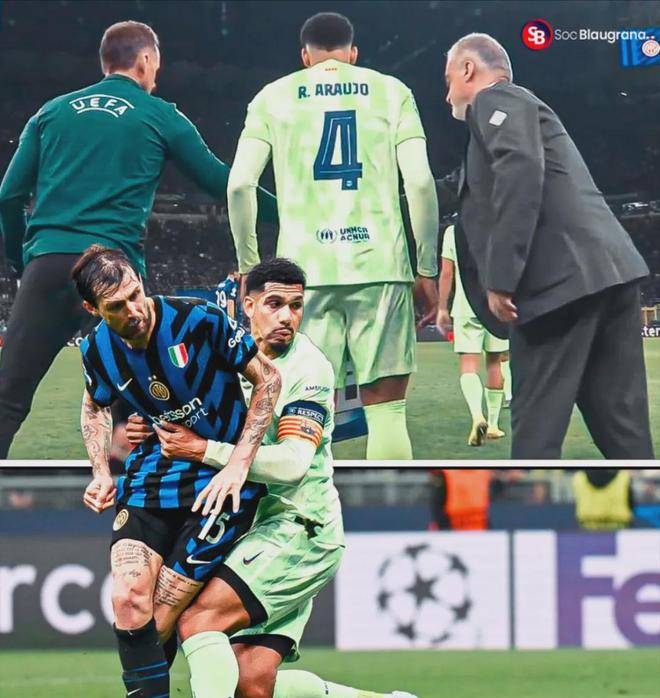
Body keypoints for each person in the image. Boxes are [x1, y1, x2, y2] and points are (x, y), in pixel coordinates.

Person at [94, 258, 424, 698]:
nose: (287, 317)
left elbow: (292, 465)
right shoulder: (225, 352)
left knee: (195, 620)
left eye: (296, 305)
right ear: (246, 306)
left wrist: (204, 450)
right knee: (251, 685)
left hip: (298, 527)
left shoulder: (309, 370)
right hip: (249, 527)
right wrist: (148, 428)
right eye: (274, 304)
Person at [0, 19, 276, 459]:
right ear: (146, 60)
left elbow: (8, 196)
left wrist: (21, 261)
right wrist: (287, 212)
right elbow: (222, 182)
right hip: (115, 273)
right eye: (156, 66)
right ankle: (141, 495)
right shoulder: (159, 114)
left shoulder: (51, 112)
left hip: (48, 264)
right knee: (143, 403)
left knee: (8, 397)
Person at [75, 245, 281, 698]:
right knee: (128, 600)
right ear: (94, 310)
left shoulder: (199, 319)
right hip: (149, 482)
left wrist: (238, 464)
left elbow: (268, 379)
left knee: (161, 618)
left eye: (136, 294)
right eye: (117, 305)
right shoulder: (97, 349)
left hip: (216, 490)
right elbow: (94, 405)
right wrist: (100, 471)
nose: (134, 309)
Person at [227, 12, 439, 459]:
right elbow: (420, 184)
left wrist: (249, 266)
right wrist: (426, 267)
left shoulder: (273, 97)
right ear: (353, 53)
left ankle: (304, 504)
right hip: (380, 265)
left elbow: (240, 185)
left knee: (303, 410)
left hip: (301, 277)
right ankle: (388, 502)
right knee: (387, 410)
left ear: (305, 56)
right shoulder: (392, 91)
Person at [442, 33, 653, 459]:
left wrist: (501, 277)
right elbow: (463, 186)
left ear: (468, 69)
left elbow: (519, 166)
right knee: (624, 434)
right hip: (609, 275)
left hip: (557, 286)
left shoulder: (496, 98)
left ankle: (526, 506)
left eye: (448, 82)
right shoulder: (512, 116)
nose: (447, 96)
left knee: (535, 438)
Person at [437, 223, 510, 446]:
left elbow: (447, 273)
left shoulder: (453, 231)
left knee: (469, 364)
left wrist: (442, 307)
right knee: (495, 364)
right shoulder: (500, 224)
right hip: (495, 307)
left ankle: (478, 416)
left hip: (465, 307)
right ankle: (494, 425)